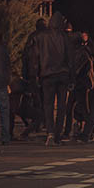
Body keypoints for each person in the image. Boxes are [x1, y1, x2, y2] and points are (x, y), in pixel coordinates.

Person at [32, 12, 75, 145]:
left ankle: (50, 132)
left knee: (48, 105)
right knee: (62, 106)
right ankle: (57, 134)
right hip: (63, 75)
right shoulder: (65, 38)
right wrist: (72, 78)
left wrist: (35, 75)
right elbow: (70, 59)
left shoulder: (40, 37)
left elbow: (35, 58)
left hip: (47, 75)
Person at [21, 18, 46, 136]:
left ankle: (37, 125)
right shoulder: (48, 38)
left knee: (37, 101)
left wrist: (25, 74)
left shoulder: (32, 37)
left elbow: (25, 56)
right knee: (44, 101)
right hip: (45, 74)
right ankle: (41, 124)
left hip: (33, 74)